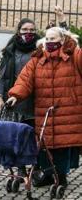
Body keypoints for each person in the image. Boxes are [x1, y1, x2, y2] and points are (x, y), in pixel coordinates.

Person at [6, 27, 81, 189]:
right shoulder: (38, 59)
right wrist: (15, 96)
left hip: (67, 111)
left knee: (62, 146)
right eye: (47, 39)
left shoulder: (73, 55)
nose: (49, 42)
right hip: (44, 110)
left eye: (53, 39)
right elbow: (25, 80)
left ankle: (61, 177)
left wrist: (73, 45)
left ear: (62, 40)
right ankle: (48, 175)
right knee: (44, 145)